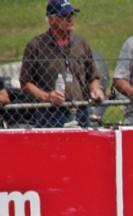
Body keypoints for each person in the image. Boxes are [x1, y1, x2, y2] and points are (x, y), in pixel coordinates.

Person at [19, 0, 104, 128]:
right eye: (64, 16)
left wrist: (96, 90)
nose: (70, 19)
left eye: (72, 15)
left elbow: (93, 76)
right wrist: (47, 97)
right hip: (49, 113)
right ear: (51, 19)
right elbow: (25, 82)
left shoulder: (81, 43)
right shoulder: (36, 45)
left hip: (80, 110)